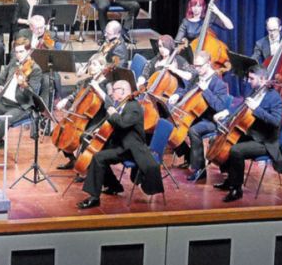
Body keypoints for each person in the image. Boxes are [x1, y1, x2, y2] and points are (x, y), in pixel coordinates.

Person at [77, 80, 163, 209]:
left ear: (123, 91)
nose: (111, 93)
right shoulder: (124, 104)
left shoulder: (134, 107)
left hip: (130, 149)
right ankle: (114, 186)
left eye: (114, 89)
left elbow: (122, 123)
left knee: (98, 157)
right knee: (95, 150)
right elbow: (116, 125)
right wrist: (98, 130)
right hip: (121, 143)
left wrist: (113, 113)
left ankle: (94, 197)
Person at [213, 66, 282, 202]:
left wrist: (256, 108)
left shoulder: (275, 98)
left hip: (266, 141)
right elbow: (241, 105)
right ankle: (230, 179)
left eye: (252, 78)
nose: (248, 81)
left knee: (236, 150)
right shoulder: (254, 91)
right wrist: (226, 112)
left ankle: (236, 189)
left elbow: (275, 122)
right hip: (253, 134)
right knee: (228, 142)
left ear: (263, 79)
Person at [168, 51, 232, 182]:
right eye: (195, 66)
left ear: (208, 64)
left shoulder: (218, 83)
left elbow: (219, 106)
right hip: (195, 114)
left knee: (194, 131)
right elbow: (186, 90)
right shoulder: (197, 76)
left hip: (211, 119)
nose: (196, 69)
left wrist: (206, 91)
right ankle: (187, 155)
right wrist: (177, 95)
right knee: (170, 123)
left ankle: (199, 170)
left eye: (199, 66)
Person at [0, 37, 42, 157]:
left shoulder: (35, 70)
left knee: (3, 121)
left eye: (21, 52)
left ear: (29, 51)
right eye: (16, 52)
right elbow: (0, 77)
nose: (19, 55)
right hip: (4, 102)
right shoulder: (13, 62)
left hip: (20, 106)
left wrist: (23, 85)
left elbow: (33, 95)